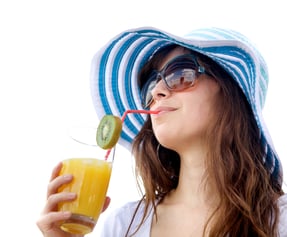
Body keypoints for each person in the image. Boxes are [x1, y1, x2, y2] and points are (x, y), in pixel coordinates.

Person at [37, 27, 287, 236]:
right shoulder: (123, 226)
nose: (157, 92)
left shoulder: (279, 220)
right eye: (150, 86)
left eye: (179, 75)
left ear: (231, 93)